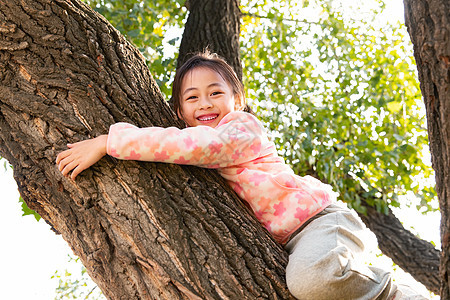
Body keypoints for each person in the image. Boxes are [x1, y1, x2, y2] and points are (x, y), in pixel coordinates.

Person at [56, 51, 427, 300]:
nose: (205, 103)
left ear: (237, 98)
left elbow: (199, 147)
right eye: (192, 98)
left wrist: (111, 141)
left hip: (320, 222)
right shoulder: (202, 146)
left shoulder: (241, 129)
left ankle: (396, 293)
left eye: (215, 92)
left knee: (311, 281)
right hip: (292, 242)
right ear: (180, 112)